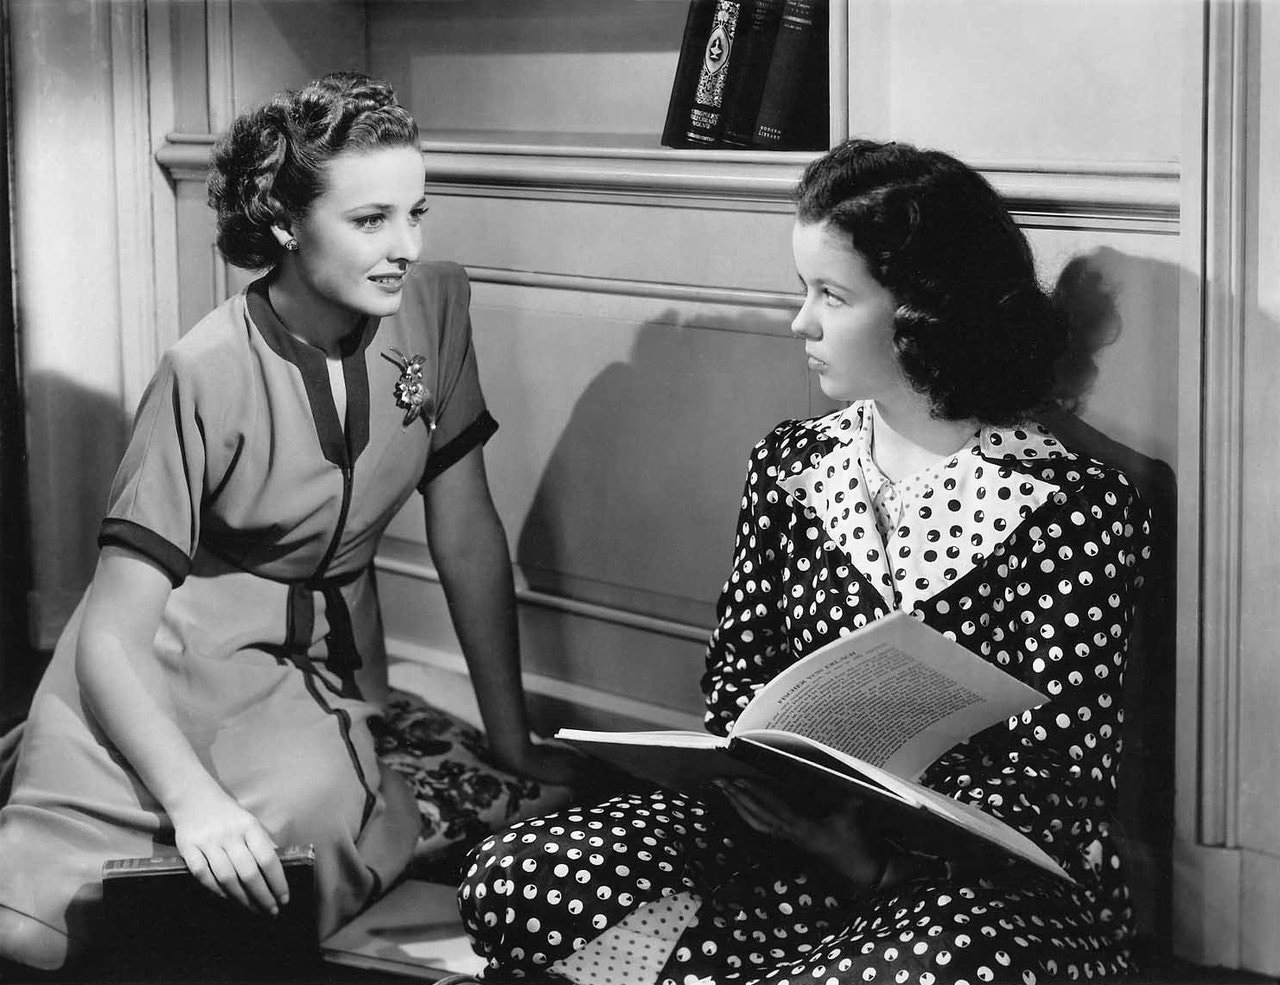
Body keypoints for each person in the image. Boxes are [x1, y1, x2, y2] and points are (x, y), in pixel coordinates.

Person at [457, 139, 1152, 985]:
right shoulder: (792, 462)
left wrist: (870, 853)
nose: (803, 322)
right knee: (514, 874)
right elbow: (736, 677)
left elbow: (1061, 777)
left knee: (937, 963)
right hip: (783, 835)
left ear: (926, 311)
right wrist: (793, 796)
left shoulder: (1074, 504)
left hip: (968, 886)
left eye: (833, 295)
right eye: (804, 289)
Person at [0, 72, 582, 971]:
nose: (406, 246)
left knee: (299, 833)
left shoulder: (435, 306)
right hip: (172, 648)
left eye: (416, 213)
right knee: (37, 918)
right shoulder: (203, 369)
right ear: (284, 224)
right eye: (370, 220)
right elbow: (112, 637)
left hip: (322, 656)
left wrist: (511, 738)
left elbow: (466, 530)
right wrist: (193, 798)